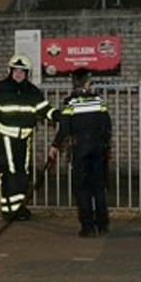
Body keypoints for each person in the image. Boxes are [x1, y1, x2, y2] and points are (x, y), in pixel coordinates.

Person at [0, 53, 58, 221]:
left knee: (22, 174)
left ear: (27, 73)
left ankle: (18, 207)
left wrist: (58, 115)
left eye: (22, 71)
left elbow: (44, 109)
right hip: (4, 137)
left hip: (24, 139)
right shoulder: (0, 87)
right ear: (10, 71)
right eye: (16, 70)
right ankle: (9, 211)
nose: (18, 74)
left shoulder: (32, 91)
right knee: (9, 174)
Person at [54, 69, 112, 237]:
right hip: (99, 148)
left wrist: (55, 145)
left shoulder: (70, 102)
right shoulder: (99, 100)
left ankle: (87, 227)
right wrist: (106, 145)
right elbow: (107, 124)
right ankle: (102, 224)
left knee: (82, 188)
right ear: (87, 83)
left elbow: (64, 128)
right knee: (99, 187)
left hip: (80, 149)